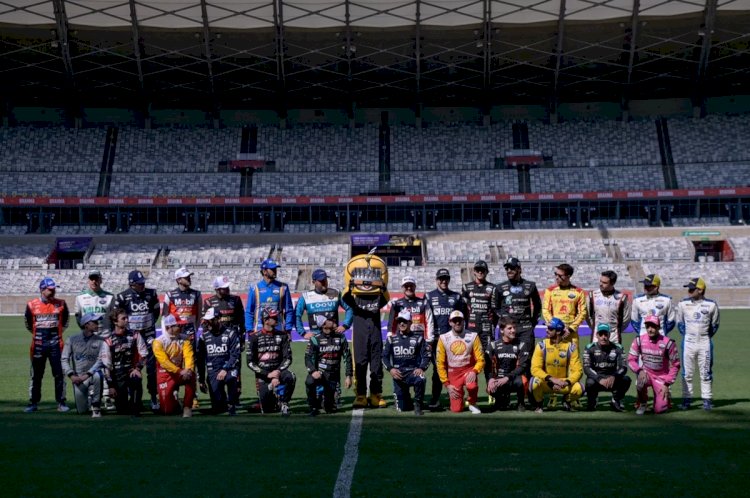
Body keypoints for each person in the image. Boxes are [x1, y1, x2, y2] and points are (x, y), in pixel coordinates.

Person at [114, 270, 161, 410]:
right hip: (131, 337)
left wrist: (147, 325)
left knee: (152, 368)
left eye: (143, 282)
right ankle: (132, 397)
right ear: (132, 284)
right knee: (130, 366)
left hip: (148, 334)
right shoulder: (122, 297)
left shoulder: (151, 293)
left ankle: (153, 397)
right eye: (140, 283)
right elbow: (117, 316)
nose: (143, 285)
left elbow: (156, 312)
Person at [342, 272, 389, 409]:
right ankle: (361, 394)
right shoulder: (355, 299)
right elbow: (345, 297)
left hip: (375, 335)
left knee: (376, 364)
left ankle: (375, 393)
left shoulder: (377, 298)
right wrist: (351, 285)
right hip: (359, 335)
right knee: (360, 363)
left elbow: (386, 298)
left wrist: (382, 287)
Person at [24, 277, 70, 413]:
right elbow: (28, 324)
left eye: (54, 289)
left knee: (59, 374)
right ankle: (33, 402)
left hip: (57, 344)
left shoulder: (61, 303)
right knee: (36, 375)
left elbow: (66, 322)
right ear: (42, 290)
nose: (53, 292)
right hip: (38, 344)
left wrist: (56, 335)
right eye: (50, 290)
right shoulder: (31, 304)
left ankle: (61, 402)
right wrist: (39, 335)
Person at [676, 278, 720, 411]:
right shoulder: (683, 304)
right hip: (688, 342)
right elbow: (680, 323)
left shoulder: (711, 305)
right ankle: (686, 399)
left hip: (704, 343)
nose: (688, 291)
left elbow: (715, 325)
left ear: (700, 290)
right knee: (687, 373)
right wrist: (688, 336)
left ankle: (707, 400)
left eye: (691, 289)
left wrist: (704, 336)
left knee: (705, 372)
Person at [425, 268, 466, 410]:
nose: (443, 281)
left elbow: (462, 318)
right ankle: (435, 398)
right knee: (438, 371)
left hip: (452, 340)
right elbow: (426, 320)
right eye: (441, 278)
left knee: (454, 370)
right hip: (436, 341)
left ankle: (454, 397)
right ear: (436, 280)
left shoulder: (456, 297)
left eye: (446, 278)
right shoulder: (429, 296)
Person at [247, 308, 296, 416]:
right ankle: (271, 397)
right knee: (267, 410)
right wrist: (267, 374)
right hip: (263, 374)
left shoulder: (283, 336)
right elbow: (250, 362)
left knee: (290, 376)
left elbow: (288, 358)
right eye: (273, 317)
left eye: (276, 316)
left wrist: (277, 372)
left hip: (279, 371)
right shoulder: (254, 337)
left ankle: (284, 402)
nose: (276, 319)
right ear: (265, 320)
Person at [628, 314, 680, 415]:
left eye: (653, 326)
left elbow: (676, 365)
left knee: (659, 410)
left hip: (661, 377)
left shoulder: (668, 343)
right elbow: (631, 360)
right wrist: (639, 371)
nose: (650, 329)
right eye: (648, 327)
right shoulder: (639, 340)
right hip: (646, 373)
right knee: (640, 381)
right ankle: (643, 403)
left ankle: (666, 397)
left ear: (659, 327)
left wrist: (667, 383)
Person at [494, 256, 542, 366]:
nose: (509, 270)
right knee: (506, 360)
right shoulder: (500, 287)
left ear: (519, 269)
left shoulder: (530, 285)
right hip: (508, 330)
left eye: (512, 268)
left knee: (527, 360)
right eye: (507, 268)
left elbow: (538, 306)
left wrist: (532, 323)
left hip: (525, 329)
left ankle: (527, 382)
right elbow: (495, 307)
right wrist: (504, 323)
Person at [530, 317, 584, 413]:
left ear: (558, 332)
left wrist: (567, 382)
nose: (547, 330)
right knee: (534, 383)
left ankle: (566, 400)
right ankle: (539, 404)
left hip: (563, 383)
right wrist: (551, 380)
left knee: (580, 388)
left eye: (550, 329)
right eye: (547, 328)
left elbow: (578, 371)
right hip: (547, 382)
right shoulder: (541, 345)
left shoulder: (571, 347)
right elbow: (535, 369)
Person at [382, 310, 431, 416]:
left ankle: (418, 404)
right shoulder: (391, 339)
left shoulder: (418, 339)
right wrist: (391, 369)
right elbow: (384, 357)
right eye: (399, 321)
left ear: (410, 323)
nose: (402, 324)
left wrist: (421, 368)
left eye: (404, 321)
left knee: (421, 379)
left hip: (413, 372)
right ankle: (407, 398)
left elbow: (427, 356)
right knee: (402, 408)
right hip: (398, 375)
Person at [435, 311, 485, 414]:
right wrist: (447, 384)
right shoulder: (443, 338)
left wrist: (474, 371)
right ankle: (460, 397)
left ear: (464, 321)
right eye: (454, 321)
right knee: (456, 410)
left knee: (472, 386)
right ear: (450, 322)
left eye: (460, 320)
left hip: (468, 370)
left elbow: (481, 359)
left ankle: (472, 402)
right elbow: (440, 363)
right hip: (453, 373)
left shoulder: (473, 336)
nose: (457, 323)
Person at [103, 307, 149, 416]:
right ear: (115, 321)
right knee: (122, 410)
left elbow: (144, 353)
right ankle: (125, 403)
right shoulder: (108, 340)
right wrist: (110, 386)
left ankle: (136, 405)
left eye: (127, 318)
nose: (127, 320)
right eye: (123, 318)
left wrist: (138, 368)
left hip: (131, 371)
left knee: (136, 379)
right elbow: (106, 365)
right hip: (117, 376)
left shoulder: (135, 335)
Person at [61, 313, 108, 417]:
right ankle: (89, 398)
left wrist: (87, 374)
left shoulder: (101, 340)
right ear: (86, 324)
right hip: (77, 377)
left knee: (98, 375)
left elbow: (101, 361)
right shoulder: (72, 339)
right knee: (82, 411)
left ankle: (96, 406)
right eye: (95, 322)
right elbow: (64, 359)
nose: (98, 324)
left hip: (91, 374)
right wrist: (71, 375)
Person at [304, 316, 353, 416]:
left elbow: (347, 357)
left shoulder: (341, 337)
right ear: (323, 325)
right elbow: (307, 358)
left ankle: (326, 399)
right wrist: (313, 371)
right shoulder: (315, 339)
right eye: (329, 320)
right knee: (309, 381)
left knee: (330, 409)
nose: (332, 321)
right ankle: (313, 406)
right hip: (320, 374)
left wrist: (349, 376)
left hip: (333, 376)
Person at [197, 307, 241, 415]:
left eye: (210, 320)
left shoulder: (231, 333)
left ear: (218, 319)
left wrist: (225, 369)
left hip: (228, 368)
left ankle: (232, 403)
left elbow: (235, 355)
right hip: (213, 371)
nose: (208, 323)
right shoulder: (203, 337)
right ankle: (221, 403)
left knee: (232, 377)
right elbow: (200, 360)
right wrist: (201, 379)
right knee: (218, 408)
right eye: (206, 320)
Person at [152, 314, 196, 418]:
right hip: (165, 375)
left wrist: (188, 369)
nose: (181, 327)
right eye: (178, 326)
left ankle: (187, 407)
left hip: (180, 373)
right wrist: (179, 371)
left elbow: (189, 356)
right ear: (169, 327)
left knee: (192, 376)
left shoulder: (185, 339)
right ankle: (175, 402)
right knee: (167, 410)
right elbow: (164, 362)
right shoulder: (158, 342)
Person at [583, 324, 631, 412]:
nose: (603, 337)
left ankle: (616, 399)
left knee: (626, 380)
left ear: (609, 335)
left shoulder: (618, 348)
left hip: (612, 379)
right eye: (601, 334)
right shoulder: (590, 348)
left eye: (606, 334)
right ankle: (593, 400)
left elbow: (623, 367)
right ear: (597, 335)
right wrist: (599, 378)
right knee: (589, 382)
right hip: (597, 379)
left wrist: (614, 376)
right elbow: (586, 368)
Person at [486, 317, 530, 411]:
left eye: (514, 328)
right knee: (492, 387)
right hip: (499, 379)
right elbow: (488, 366)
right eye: (509, 328)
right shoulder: (493, 345)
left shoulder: (521, 345)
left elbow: (523, 366)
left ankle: (521, 402)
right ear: (502, 330)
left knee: (523, 381)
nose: (513, 330)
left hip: (514, 379)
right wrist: (490, 379)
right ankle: (500, 400)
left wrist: (507, 377)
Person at [295, 269, 352, 340]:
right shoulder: (305, 297)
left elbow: (349, 308)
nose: (324, 282)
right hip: (315, 338)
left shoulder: (336, 293)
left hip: (334, 337)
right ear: (313, 282)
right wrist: (303, 333)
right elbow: (296, 315)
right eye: (321, 280)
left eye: (325, 279)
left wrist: (345, 325)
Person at [245, 259, 294, 334]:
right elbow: (249, 311)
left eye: (275, 269)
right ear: (264, 271)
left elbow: (289, 310)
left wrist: (288, 329)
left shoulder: (283, 287)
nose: (275, 271)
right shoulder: (254, 288)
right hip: (259, 331)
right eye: (272, 269)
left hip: (278, 331)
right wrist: (249, 330)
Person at [542, 263, 587, 346]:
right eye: (556, 274)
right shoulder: (550, 291)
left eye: (560, 275)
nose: (556, 277)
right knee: (552, 358)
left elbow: (582, 313)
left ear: (568, 276)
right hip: (554, 332)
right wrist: (555, 325)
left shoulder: (579, 292)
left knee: (573, 358)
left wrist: (570, 329)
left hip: (570, 333)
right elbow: (545, 310)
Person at [461, 260, 499, 356]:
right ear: (474, 271)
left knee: (489, 355)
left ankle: (489, 371)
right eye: (478, 270)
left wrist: (493, 323)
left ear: (487, 272)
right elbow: (463, 309)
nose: (480, 272)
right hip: (471, 328)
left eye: (483, 270)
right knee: (469, 356)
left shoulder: (493, 288)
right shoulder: (466, 287)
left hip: (487, 328)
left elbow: (496, 309)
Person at [586, 270, 631, 344]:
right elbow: (588, 316)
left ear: (613, 283)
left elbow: (626, 319)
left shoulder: (622, 297)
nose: (601, 284)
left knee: (615, 355)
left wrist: (616, 330)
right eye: (600, 281)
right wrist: (595, 328)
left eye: (604, 283)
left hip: (614, 337)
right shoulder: (592, 296)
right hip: (597, 336)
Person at [203, 275, 246, 347]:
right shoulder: (209, 302)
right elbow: (205, 323)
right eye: (224, 288)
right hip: (217, 337)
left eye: (227, 286)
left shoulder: (236, 299)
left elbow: (241, 320)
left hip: (234, 336)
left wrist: (242, 337)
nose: (227, 289)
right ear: (217, 289)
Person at [162, 267, 202, 341]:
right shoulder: (169, 295)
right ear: (179, 280)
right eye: (186, 277)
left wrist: (195, 329)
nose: (189, 279)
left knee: (190, 351)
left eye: (189, 277)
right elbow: (165, 316)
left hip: (190, 327)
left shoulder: (197, 294)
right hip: (175, 328)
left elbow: (199, 315)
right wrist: (166, 333)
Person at [74, 270, 115, 338]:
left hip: (106, 336)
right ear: (88, 281)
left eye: (96, 279)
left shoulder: (110, 297)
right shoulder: (79, 297)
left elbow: (114, 317)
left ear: (101, 280)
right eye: (91, 279)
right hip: (88, 337)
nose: (94, 281)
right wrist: (85, 330)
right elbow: (78, 318)